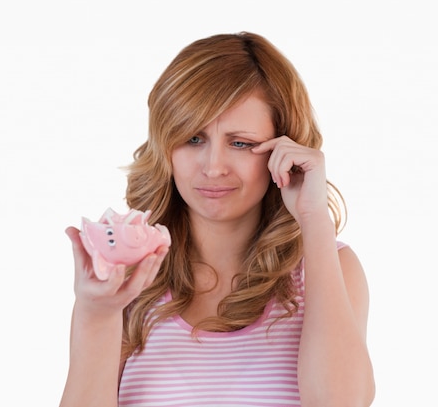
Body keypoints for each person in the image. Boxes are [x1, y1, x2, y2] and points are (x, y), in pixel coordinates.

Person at [60, 31, 375, 407]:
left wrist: (314, 218)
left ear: (284, 147)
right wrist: (97, 315)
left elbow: (340, 403)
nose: (213, 167)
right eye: (193, 139)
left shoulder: (331, 266)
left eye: (240, 143)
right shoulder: (127, 279)